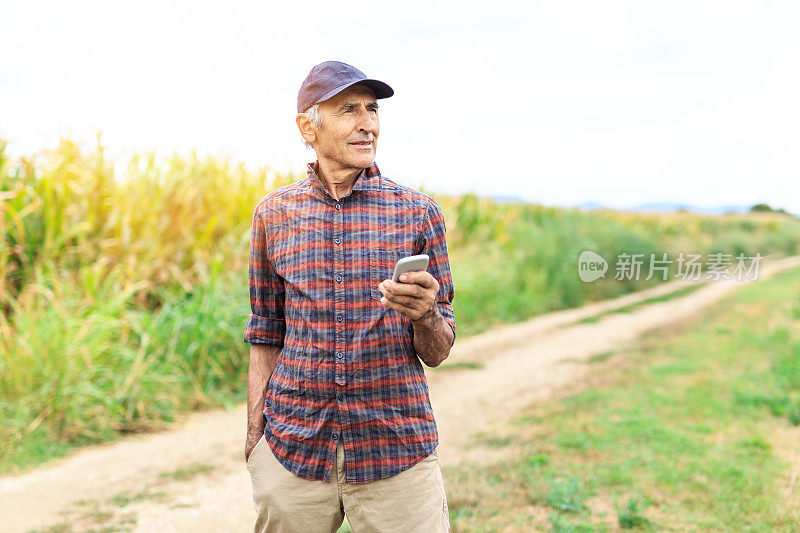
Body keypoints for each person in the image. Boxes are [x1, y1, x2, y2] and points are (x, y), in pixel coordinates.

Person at [243, 60, 456, 533]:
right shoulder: (273, 215)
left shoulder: (418, 214)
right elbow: (265, 330)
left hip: (396, 450)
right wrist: (257, 437)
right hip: (293, 449)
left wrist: (425, 316)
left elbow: (439, 350)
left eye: (372, 109)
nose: (368, 124)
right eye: (349, 110)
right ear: (308, 127)